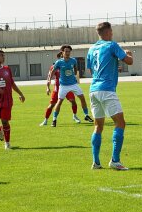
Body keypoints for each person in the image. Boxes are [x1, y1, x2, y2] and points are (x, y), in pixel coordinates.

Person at [86, 22, 133, 170]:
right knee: (120, 123)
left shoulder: (91, 48)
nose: (112, 34)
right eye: (111, 32)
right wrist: (129, 53)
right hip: (107, 90)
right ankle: (115, 160)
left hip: (93, 90)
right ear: (108, 32)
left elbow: (92, 71)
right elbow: (129, 61)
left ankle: (96, 162)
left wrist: (113, 67)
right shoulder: (112, 45)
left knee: (98, 126)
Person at [51, 45, 93, 127]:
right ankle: (54, 120)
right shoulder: (59, 62)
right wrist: (49, 80)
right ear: (62, 52)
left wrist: (76, 78)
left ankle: (86, 115)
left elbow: (75, 69)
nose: (67, 53)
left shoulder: (73, 60)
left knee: (82, 97)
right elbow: (53, 71)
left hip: (73, 84)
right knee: (59, 102)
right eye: (66, 51)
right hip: (63, 85)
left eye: (69, 51)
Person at [40, 52, 81, 126]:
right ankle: (45, 120)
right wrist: (47, 87)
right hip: (58, 88)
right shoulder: (54, 66)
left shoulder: (68, 64)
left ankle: (74, 116)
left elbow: (74, 72)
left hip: (67, 86)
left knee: (73, 101)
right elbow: (49, 77)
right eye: (61, 57)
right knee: (52, 104)